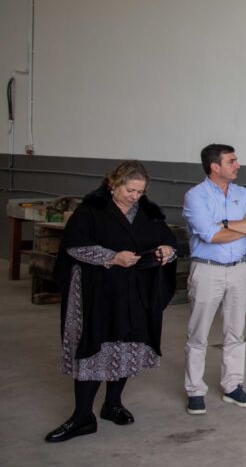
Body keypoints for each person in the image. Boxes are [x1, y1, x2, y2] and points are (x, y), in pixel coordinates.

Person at [44, 160, 178, 442]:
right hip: (98, 292)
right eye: (130, 190)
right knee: (94, 346)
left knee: (127, 345)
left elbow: (168, 241)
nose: (135, 197)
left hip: (133, 293)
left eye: (140, 192)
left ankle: (112, 404)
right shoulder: (92, 210)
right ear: (113, 184)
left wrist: (167, 250)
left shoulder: (148, 212)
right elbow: (75, 246)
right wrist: (111, 257)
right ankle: (82, 416)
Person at [182, 144, 246, 415]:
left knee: (235, 332)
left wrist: (225, 224)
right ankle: (195, 391)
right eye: (231, 161)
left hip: (239, 269)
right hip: (207, 270)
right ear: (214, 166)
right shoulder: (195, 196)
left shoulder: (245, 194)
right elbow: (209, 235)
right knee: (198, 333)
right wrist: (241, 225)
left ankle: (233, 387)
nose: (237, 165)